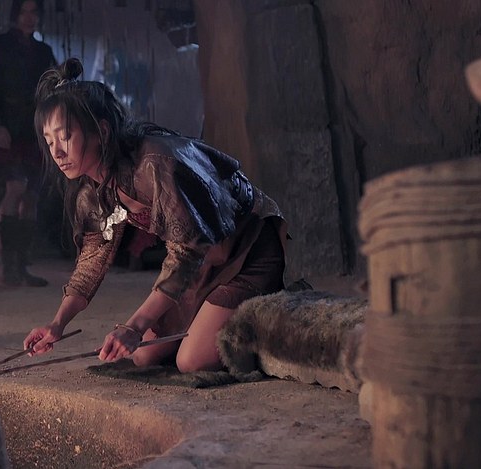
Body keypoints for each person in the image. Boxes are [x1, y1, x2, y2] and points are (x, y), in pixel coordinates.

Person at [23, 58, 288, 372]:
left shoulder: (154, 165)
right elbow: (92, 261)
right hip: (202, 267)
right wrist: (57, 324)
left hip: (247, 253)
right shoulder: (91, 191)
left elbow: (186, 253)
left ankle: (276, 312)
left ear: (101, 131)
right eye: (49, 141)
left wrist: (134, 326)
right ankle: (211, 316)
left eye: (65, 136)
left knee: (191, 361)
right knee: (144, 356)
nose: (56, 152)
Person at [0, 0, 56, 287]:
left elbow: (51, 92)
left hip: (34, 128)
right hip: (8, 126)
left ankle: (22, 265)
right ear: (15, 14)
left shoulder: (43, 51)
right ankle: (7, 265)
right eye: (24, 11)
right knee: (15, 188)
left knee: (32, 196)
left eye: (34, 12)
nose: (29, 17)